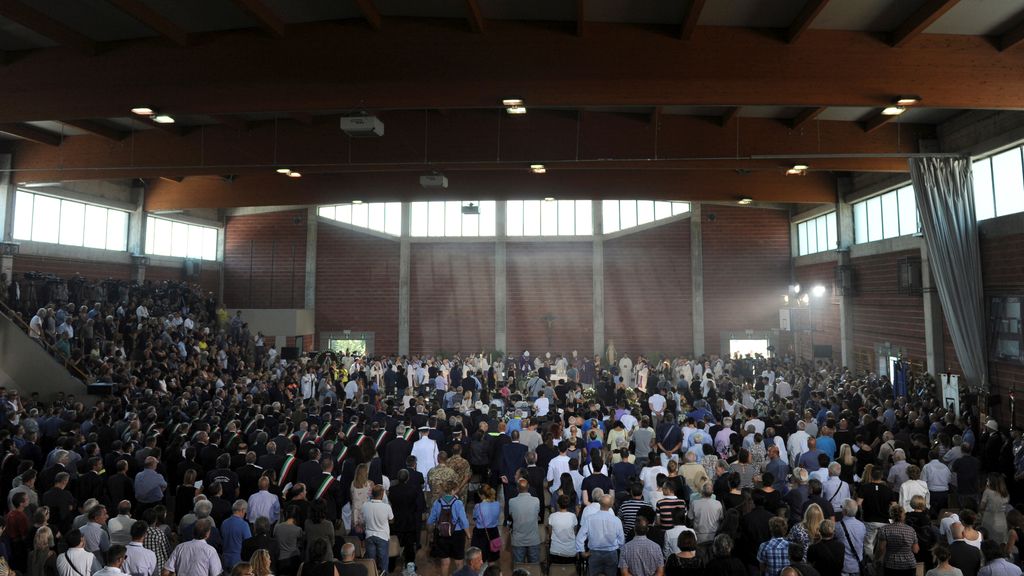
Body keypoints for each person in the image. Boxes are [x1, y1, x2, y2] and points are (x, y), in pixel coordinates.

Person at [427, 480, 469, 576]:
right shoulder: (458, 503)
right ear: (453, 490)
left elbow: (430, 521)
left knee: (444, 562)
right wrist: (468, 534)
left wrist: (430, 533)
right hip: (457, 534)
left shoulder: (437, 503)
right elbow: (464, 520)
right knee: (459, 562)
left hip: (441, 533)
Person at [575, 494, 624, 576]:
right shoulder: (616, 521)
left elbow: (579, 537)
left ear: (600, 503)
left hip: (594, 553)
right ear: (611, 505)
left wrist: (582, 552)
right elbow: (621, 541)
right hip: (611, 554)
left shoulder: (590, 519)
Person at [875, 503, 920, 576]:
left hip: (891, 564)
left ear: (891, 515)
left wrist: (876, 559)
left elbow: (881, 548)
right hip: (909, 565)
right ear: (903, 515)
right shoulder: (911, 530)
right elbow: (915, 550)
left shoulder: (884, 529)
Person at [507, 479, 541, 565]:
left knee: (519, 568)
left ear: (517, 488)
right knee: (534, 567)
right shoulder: (536, 500)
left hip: (518, 540)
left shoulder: (512, 502)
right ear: (528, 487)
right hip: (533, 539)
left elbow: (510, 519)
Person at [362, 485, 394, 576]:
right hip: (382, 536)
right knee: (384, 563)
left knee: (371, 563)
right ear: (382, 494)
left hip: (369, 536)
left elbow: (363, 520)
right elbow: (391, 520)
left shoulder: (365, 505)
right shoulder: (386, 507)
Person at [837, 499, 866, 576]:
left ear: (845, 511)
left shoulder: (838, 526)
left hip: (844, 566)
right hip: (857, 565)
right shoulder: (862, 525)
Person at [979, 473, 1010, 545]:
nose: (986, 482)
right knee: (1001, 544)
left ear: (991, 482)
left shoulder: (987, 492)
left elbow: (981, 507)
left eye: (988, 480)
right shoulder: (1006, 494)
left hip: (989, 521)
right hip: (1003, 522)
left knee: (989, 544)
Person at [546, 494, 577, 564]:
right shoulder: (573, 516)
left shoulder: (552, 516)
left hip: (555, 551)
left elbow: (550, 533)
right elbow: (574, 532)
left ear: (558, 504)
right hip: (570, 552)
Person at [220, 500, 252, 569]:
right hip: (238, 561)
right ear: (242, 510)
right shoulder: (244, 525)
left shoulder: (224, 523)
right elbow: (249, 543)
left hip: (224, 560)